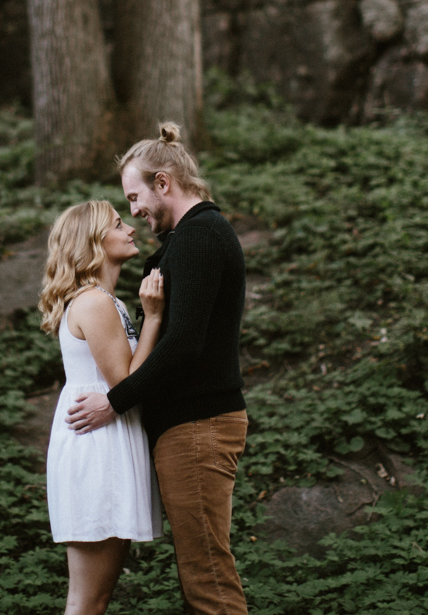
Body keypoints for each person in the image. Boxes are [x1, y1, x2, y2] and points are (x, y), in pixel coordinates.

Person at [66, 123, 249, 615]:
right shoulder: (190, 239)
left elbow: (185, 344)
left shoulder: (199, 237)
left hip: (198, 428)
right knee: (200, 579)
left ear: (163, 182)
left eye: (135, 197)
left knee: (208, 579)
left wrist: (114, 401)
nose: (135, 212)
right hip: (189, 428)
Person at [40, 200, 167, 615]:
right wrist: (152, 317)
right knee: (88, 601)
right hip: (95, 451)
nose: (130, 228)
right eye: (117, 224)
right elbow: (124, 383)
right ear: (95, 241)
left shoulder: (103, 300)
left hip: (107, 442)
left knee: (93, 598)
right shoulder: (94, 302)